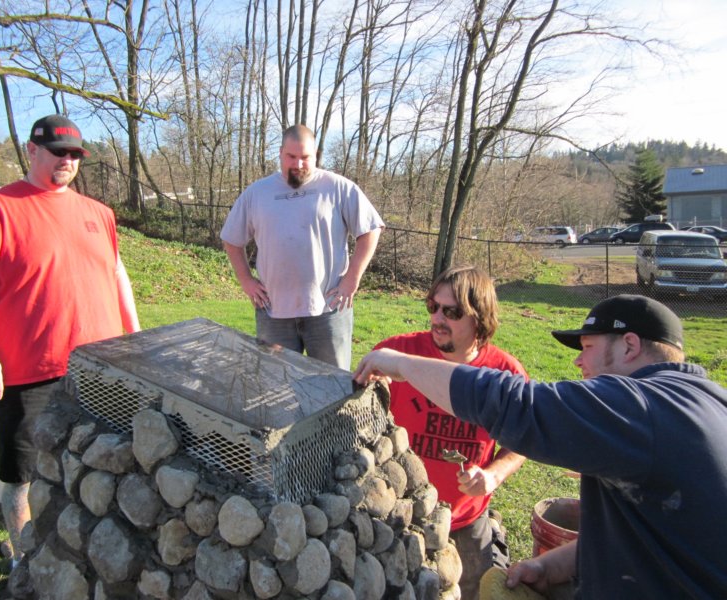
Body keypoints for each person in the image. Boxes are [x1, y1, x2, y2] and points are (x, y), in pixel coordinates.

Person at [353, 294, 727, 598]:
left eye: (588, 346)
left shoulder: (642, 407)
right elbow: (654, 540)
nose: (579, 360)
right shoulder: (707, 401)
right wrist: (557, 565)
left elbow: (516, 404)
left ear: (629, 345)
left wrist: (401, 364)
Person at [0, 114, 141, 568]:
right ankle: (23, 555)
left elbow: (116, 273)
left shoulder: (98, 213)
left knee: (96, 460)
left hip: (99, 364)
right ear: (32, 150)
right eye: (58, 151)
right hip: (27, 369)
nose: (68, 161)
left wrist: (136, 340)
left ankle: (80, 544)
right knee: (22, 473)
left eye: (75, 154)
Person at [374, 265, 527, 600]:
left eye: (452, 312)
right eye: (433, 307)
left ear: (480, 318)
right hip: (404, 515)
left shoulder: (504, 373)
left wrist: (492, 476)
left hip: (467, 517)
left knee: (475, 590)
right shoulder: (398, 353)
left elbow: (522, 442)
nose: (437, 319)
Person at [220, 124, 384, 370]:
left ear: (315, 154)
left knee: (332, 388)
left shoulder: (338, 187)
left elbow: (370, 229)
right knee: (275, 388)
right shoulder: (257, 193)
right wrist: (246, 281)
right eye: (291, 157)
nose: (298, 164)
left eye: (305, 157)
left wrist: (352, 279)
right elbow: (231, 240)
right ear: (280, 153)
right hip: (273, 313)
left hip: (328, 310)